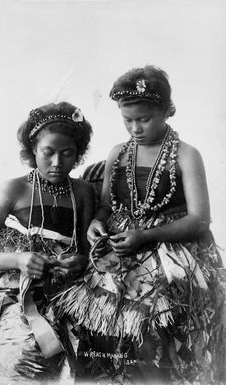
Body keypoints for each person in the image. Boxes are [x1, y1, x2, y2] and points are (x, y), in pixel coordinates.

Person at [55, 66, 226, 384]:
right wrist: (96, 223)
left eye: (144, 119)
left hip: (173, 259)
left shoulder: (186, 156)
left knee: (154, 342)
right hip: (118, 256)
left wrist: (145, 235)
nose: (135, 127)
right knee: (103, 336)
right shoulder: (117, 154)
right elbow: (107, 206)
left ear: (166, 111)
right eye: (127, 119)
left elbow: (199, 220)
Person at [0, 102, 95, 384]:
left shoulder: (82, 192)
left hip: (62, 293)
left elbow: (84, 250)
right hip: (10, 291)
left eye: (67, 153)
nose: (57, 162)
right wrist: (19, 260)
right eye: (49, 152)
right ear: (32, 149)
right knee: (25, 353)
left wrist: (79, 261)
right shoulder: (14, 189)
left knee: (66, 357)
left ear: (78, 154)